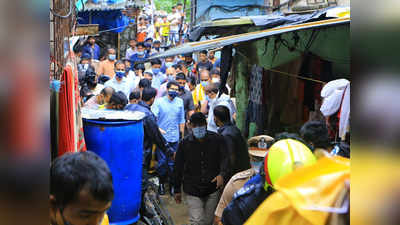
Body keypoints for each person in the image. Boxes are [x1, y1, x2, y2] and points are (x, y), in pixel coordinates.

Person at [221, 138, 316, 225]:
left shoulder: (320, 201)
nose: (292, 202)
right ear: (267, 186)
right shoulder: (242, 207)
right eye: (284, 195)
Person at [174, 112, 230, 225]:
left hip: (212, 187)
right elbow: (178, 167)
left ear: (206, 124)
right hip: (192, 188)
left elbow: (225, 158)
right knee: (196, 220)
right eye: (195, 126)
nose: (198, 129)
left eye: (201, 125)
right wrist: (176, 189)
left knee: (209, 221)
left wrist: (222, 174)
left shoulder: (217, 139)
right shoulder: (184, 144)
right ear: (190, 126)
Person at [125, 87, 175, 208]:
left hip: (125, 152)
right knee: (142, 183)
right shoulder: (147, 115)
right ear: (152, 99)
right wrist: (169, 151)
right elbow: (157, 138)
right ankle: (139, 209)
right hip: (140, 155)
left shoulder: (129, 107)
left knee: (127, 180)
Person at [213, 135, 273, 225]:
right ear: (250, 158)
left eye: (264, 159)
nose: (261, 164)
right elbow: (219, 218)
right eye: (256, 159)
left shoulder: (282, 185)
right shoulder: (237, 182)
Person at [50, 151, 114, 225]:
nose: (97, 222)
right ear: (52, 206)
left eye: (104, 212)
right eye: (85, 216)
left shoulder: (101, 219)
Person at [152, 81, 185, 195]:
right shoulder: (159, 102)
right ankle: (161, 183)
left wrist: (182, 135)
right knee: (162, 162)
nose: (174, 91)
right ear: (167, 89)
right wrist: (158, 130)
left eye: (177, 89)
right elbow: (153, 119)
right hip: (162, 139)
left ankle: (172, 184)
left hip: (175, 137)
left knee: (173, 163)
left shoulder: (180, 102)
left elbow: (182, 119)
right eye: (172, 89)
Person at [214, 105, 250, 176]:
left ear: (216, 118)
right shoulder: (234, 129)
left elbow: (231, 158)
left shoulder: (225, 135)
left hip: (237, 174)